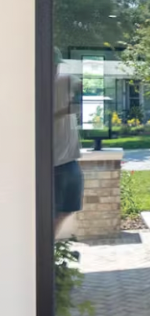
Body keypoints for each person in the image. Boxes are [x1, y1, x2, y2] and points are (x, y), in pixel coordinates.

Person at [54, 49, 84, 238]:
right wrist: (63, 112)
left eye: (56, 64)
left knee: (67, 208)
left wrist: (77, 101)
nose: (54, 67)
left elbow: (80, 86)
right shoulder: (32, 86)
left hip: (68, 159)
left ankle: (46, 247)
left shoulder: (65, 80)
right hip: (47, 161)